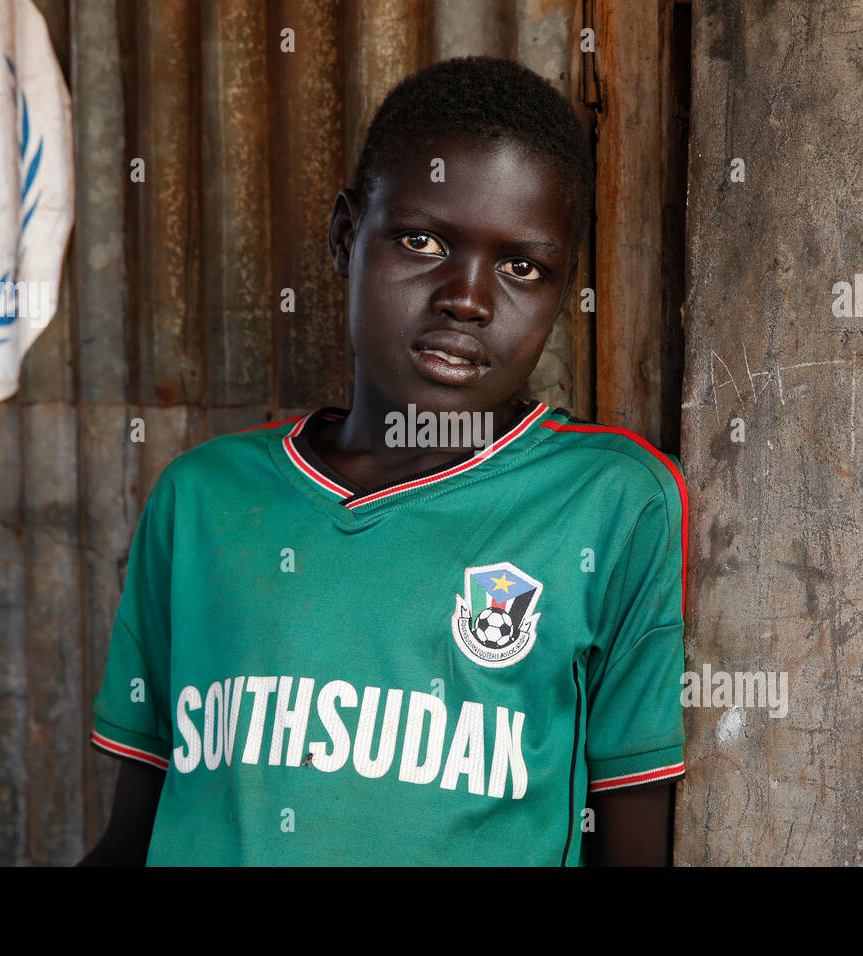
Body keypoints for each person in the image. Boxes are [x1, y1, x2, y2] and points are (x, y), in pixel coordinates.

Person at [80, 56, 687, 866]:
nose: (467, 299)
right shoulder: (204, 500)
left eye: (521, 268)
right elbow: (134, 837)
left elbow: (634, 849)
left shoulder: (612, 504)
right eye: (422, 239)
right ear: (345, 237)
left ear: (562, 289)